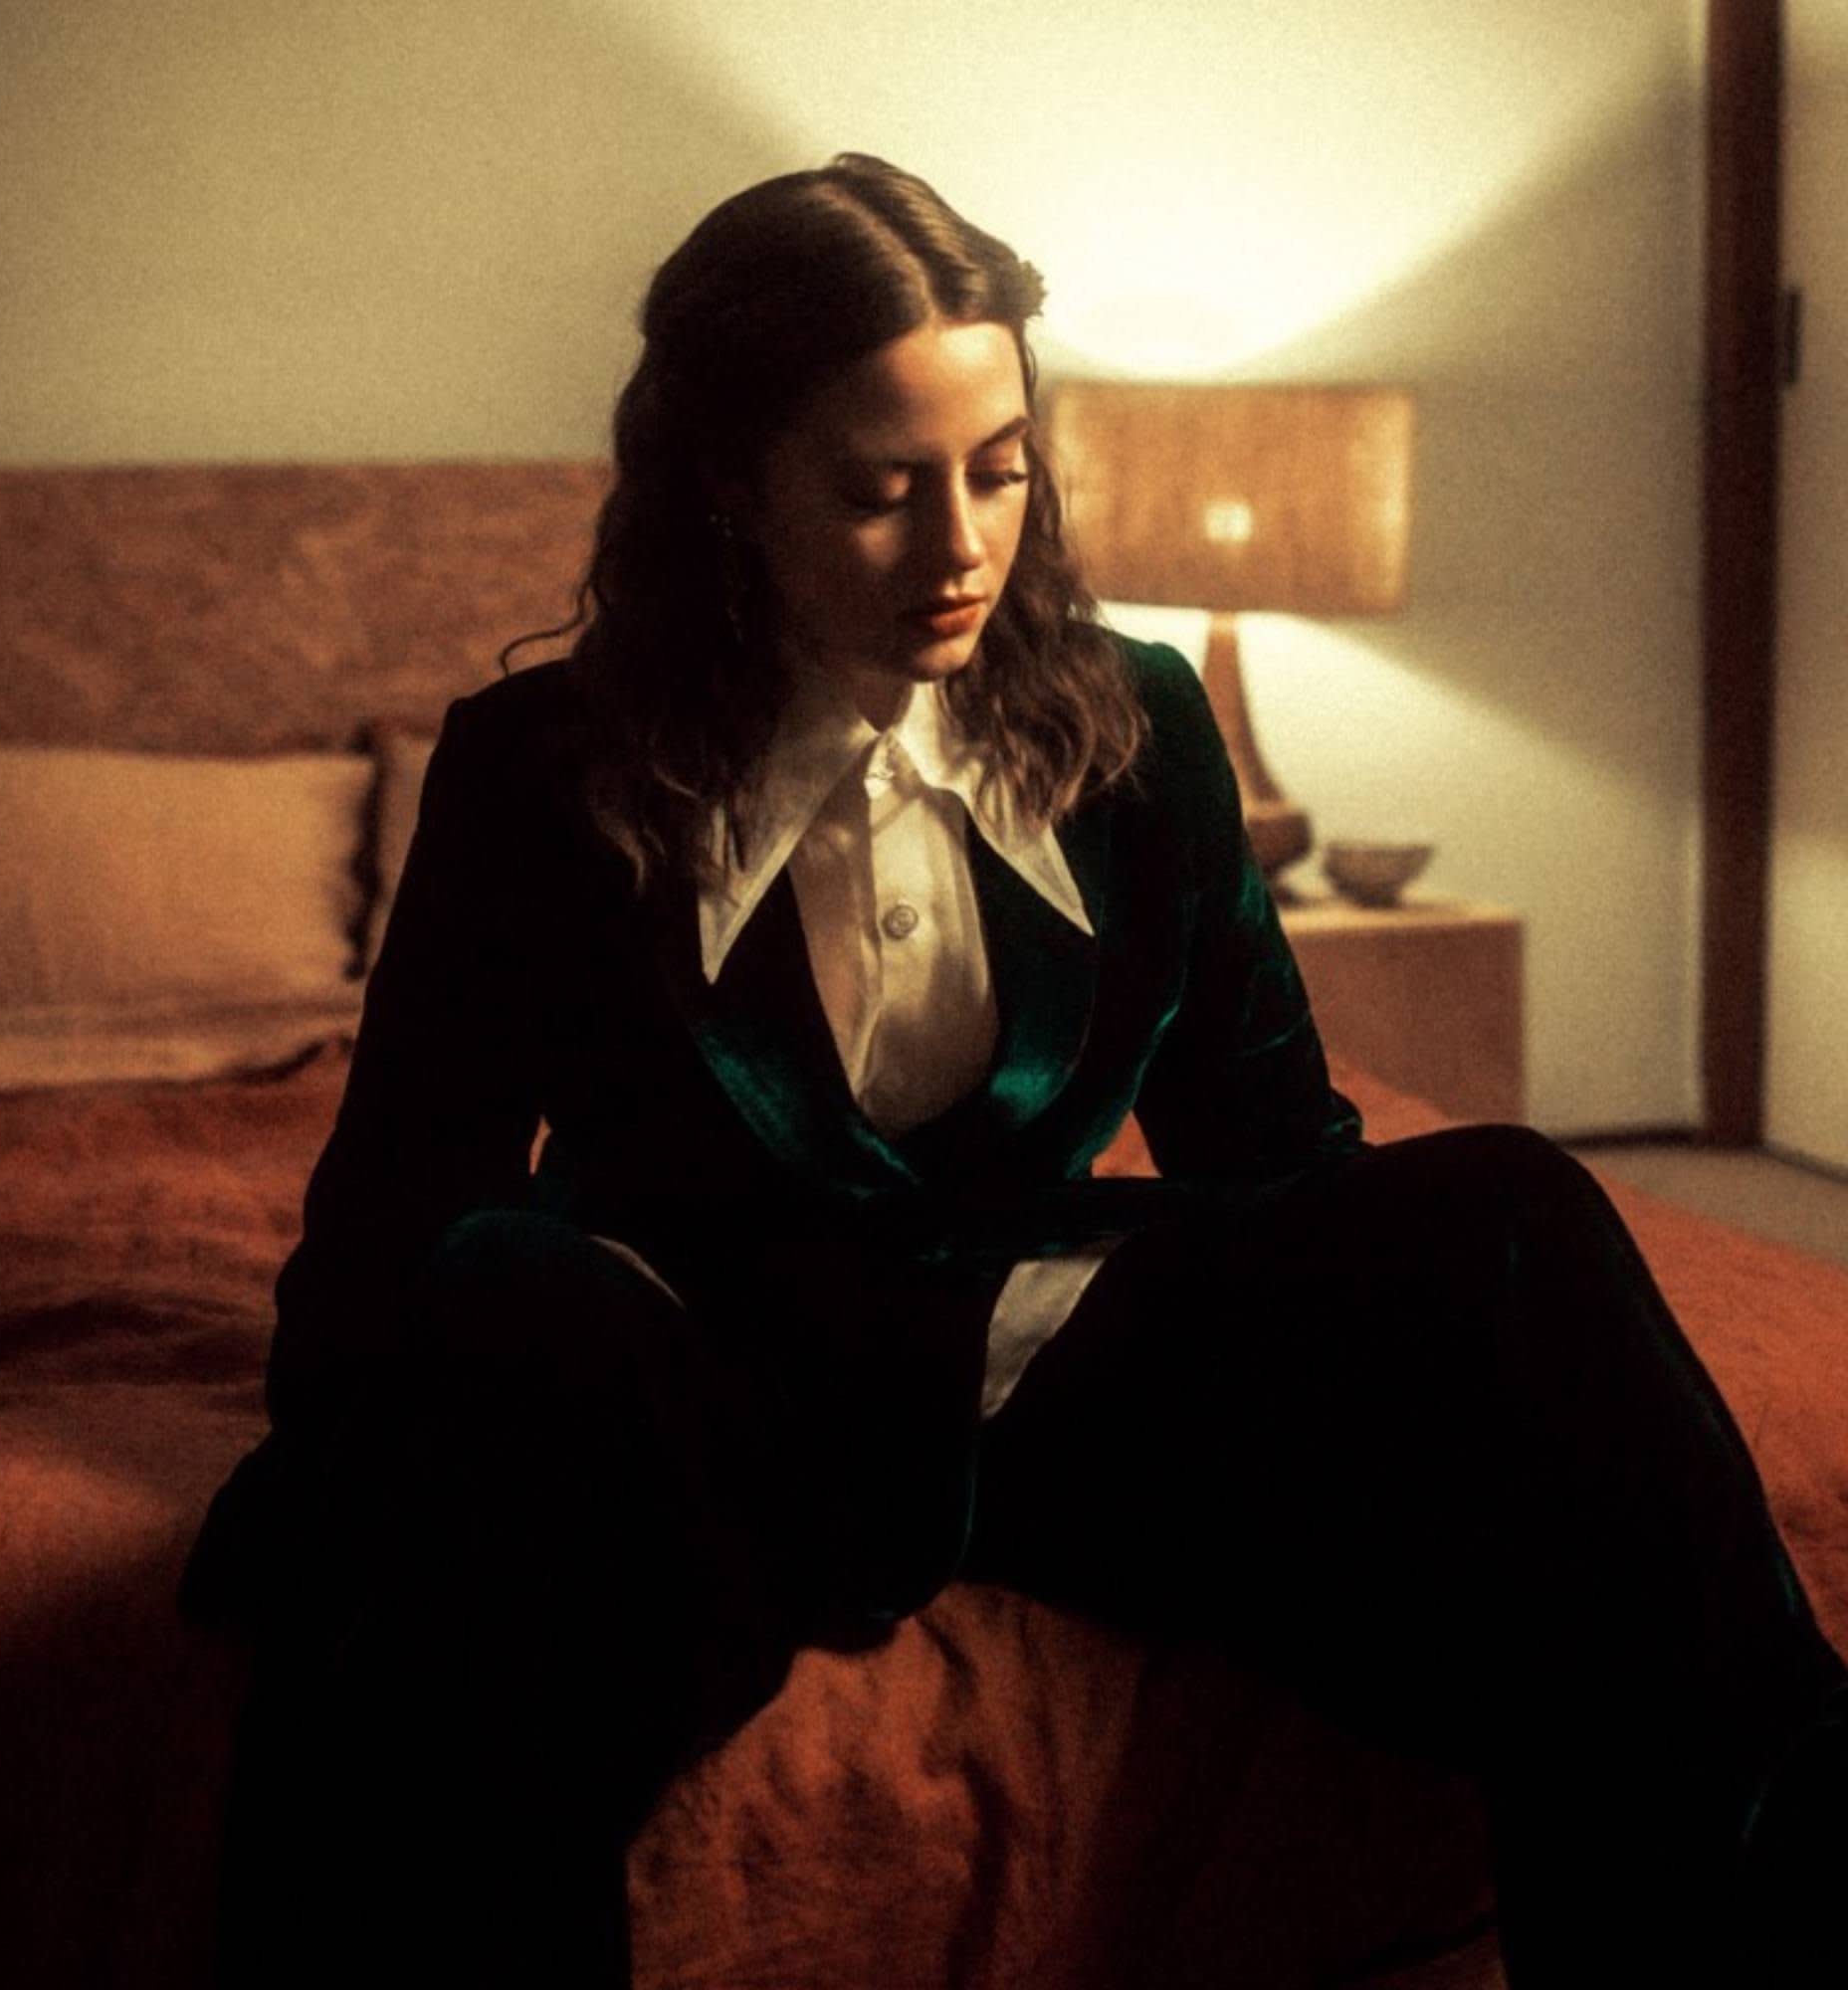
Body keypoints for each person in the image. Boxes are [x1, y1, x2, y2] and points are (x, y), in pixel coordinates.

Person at [182, 153, 1847, 1986]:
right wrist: (367, 1480)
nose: (959, 546)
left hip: (1051, 1382)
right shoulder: (542, 768)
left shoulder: (1134, 718)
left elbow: (1276, 1157)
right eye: (879, 490)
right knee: (506, 1292)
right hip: (708, 1410)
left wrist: (1407, 1375)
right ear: (729, 483)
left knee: (1509, 1207)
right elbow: (397, 1217)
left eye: (998, 470)